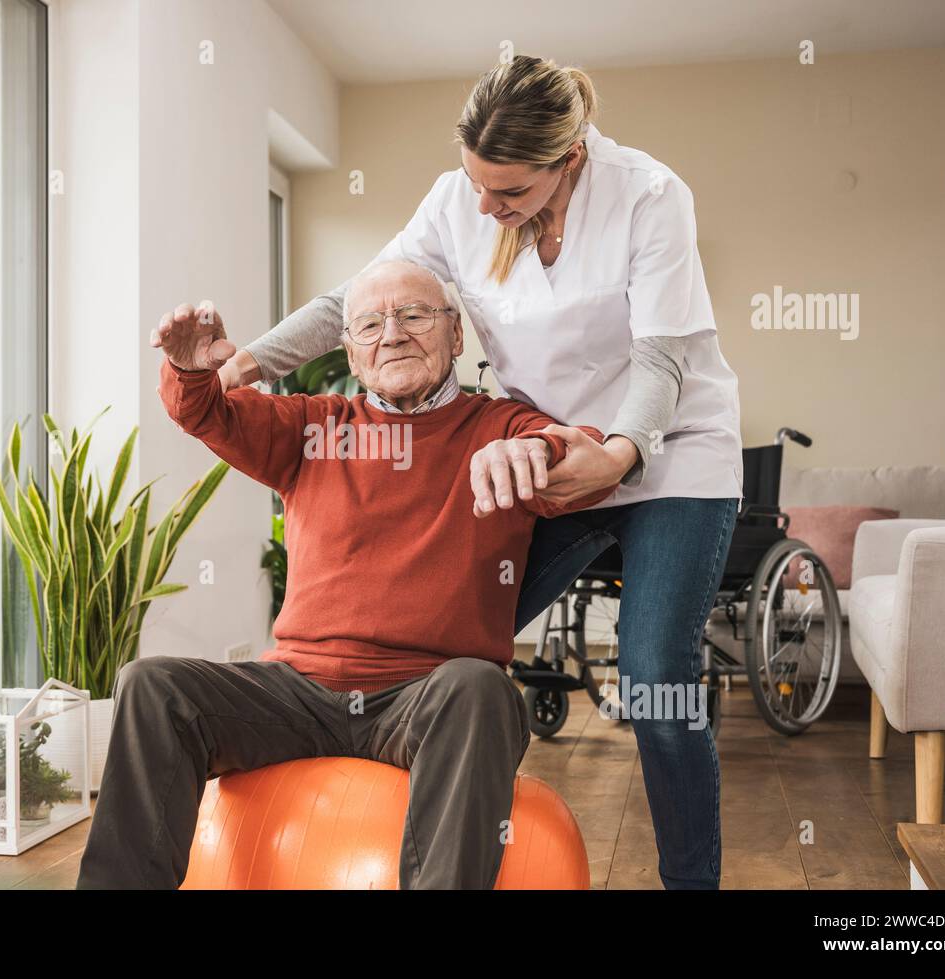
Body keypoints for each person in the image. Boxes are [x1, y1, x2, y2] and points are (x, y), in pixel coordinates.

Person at [219, 56, 743, 889]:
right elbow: (351, 301)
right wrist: (245, 363)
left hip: (670, 455)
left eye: (509, 194)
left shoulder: (648, 196)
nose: (485, 208)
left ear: (568, 161)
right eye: (476, 185)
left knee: (652, 679)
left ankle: (691, 881)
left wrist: (620, 452)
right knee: (441, 634)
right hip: (547, 453)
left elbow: (661, 358)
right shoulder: (458, 201)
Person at [75, 259, 612, 889]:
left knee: (482, 688)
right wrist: (191, 371)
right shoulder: (314, 427)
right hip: (299, 693)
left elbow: (588, 456)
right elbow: (207, 413)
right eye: (370, 325)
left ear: (456, 334)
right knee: (153, 685)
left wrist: (539, 449)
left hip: (427, 698)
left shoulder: (500, 428)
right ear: (352, 356)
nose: (393, 334)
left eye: (414, 315)